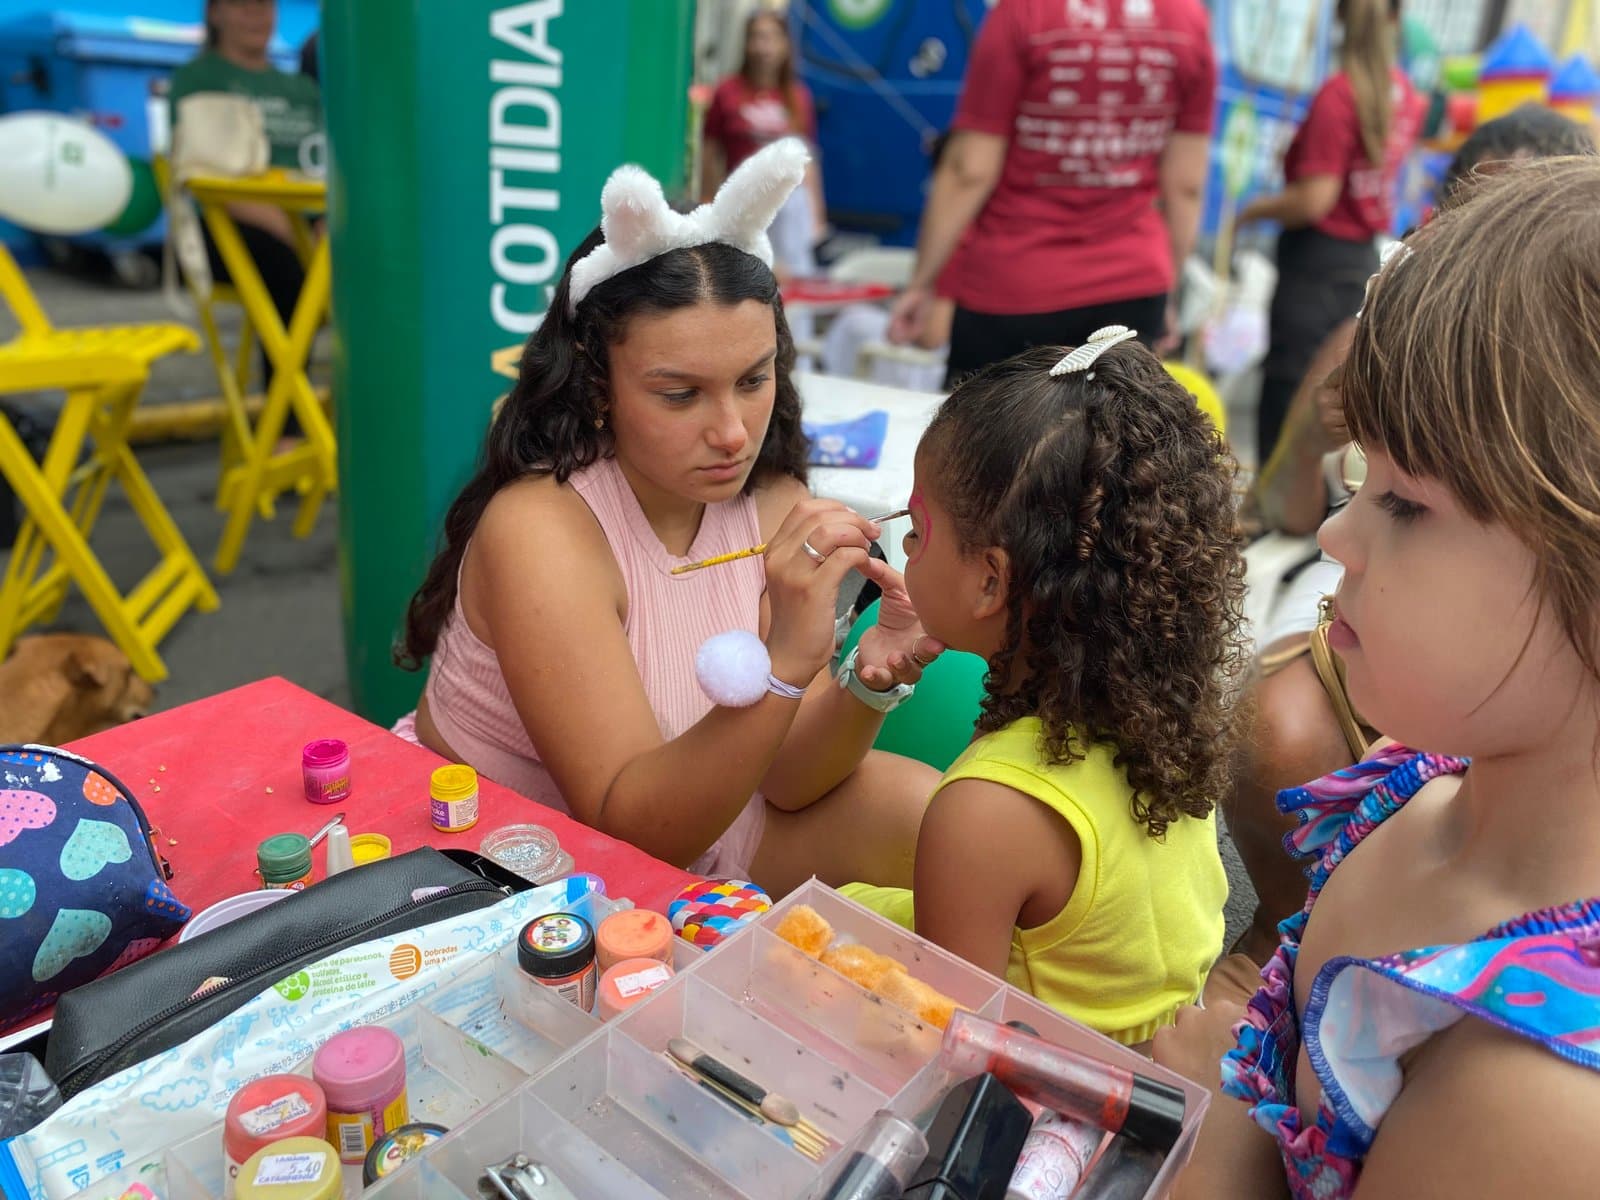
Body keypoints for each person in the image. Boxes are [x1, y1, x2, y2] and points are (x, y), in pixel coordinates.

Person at [1155, 157, 1600, 1199]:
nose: (1334, 535)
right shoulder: (1413, 787)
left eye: (1404, 504)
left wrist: (1224, 1136)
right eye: (1362, 475)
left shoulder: (1537, 1102)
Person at [396, 141, 941, 900]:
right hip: (512, 863)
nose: (733, 433)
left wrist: (870, 679)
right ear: (596, 385)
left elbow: (787, 779)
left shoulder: (771, 501)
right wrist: (787, 660)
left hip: (703, 811)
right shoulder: (541, 533)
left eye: (753, 379)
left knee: (950, 828)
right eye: (681, 394)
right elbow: (633, 832)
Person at [1226, 104, 1598, 964]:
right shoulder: (1392, 811)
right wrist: (1319, 437)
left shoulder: (1521, 1048)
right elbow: (1290, 504)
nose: (1336, 535)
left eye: (1404, 502)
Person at [842, 331, 1246, 1044]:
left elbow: (943, 1039)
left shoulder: (985, 810)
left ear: (991, 581)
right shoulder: (1157, 715)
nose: (903, 549)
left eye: (917, 535)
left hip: (1042, 1080)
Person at [887, 0, 1216, 386]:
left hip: (1013, 285)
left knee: (987, 425)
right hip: (1133, 285)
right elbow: (1186, 187)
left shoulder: (1023, 11)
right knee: (1109, 426)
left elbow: (969, 170)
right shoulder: (1188, 20)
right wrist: (1168, 290)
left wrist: (922, 282)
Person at [1241, 0, 1424, 465]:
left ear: (1341, 18)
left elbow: (1314, 200)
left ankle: (1274, 499)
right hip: (1359, 261)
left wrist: (1252, 212)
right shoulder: (1404, 95)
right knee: (1334, 399)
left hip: (1315, 267)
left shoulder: (1339, 96)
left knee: (1290, 400)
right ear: (1396, 19)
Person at [169, 0, 320, 392]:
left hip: (309, 226)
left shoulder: (302, 90)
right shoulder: (197, 79)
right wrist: (293, 233)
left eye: (264, 5)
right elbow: (202, 172)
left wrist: (324, 225)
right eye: (242, 5)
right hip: (226, 227)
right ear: (215, 13)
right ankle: (287, 416)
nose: (256, 15)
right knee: (288, 272)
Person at [702, 10, 825, 278]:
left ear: (785, 45)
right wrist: (708, 201)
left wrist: (817, 219)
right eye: (757, 37)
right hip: (743, 204)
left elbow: (809, 161)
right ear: (746, 43)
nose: (763, 46)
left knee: (792, 280)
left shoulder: (798, 97)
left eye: (771, 38)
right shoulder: (727, 91)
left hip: (789, 209)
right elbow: (709, 152)